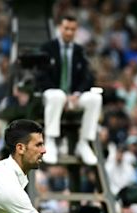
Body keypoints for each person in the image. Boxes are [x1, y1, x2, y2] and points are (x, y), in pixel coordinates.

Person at [38, 15, 99, 165]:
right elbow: (40, 76)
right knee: (57, 96)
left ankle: (83, 143)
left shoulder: (79, 51)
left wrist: (76, 94)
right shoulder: (47, 48)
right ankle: (50, 140)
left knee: (95, 98)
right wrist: (63, 95)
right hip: (51, 95)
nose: (69, 32)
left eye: (72, 29)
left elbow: (88, 77)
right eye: (66, 28)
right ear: (60, 28)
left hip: (73, 97)